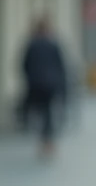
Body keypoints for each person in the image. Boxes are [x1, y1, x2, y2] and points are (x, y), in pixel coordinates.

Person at [21, 16, 68, 158]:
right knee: (48, 113)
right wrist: (61, 86)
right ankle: (47, 142)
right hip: (50, 85)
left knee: (40, 112)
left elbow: (25, 65)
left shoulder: (32, 45)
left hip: (36, 84)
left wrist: (30, 79)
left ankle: (43, 141)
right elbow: (61, 66)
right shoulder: (53, 45)